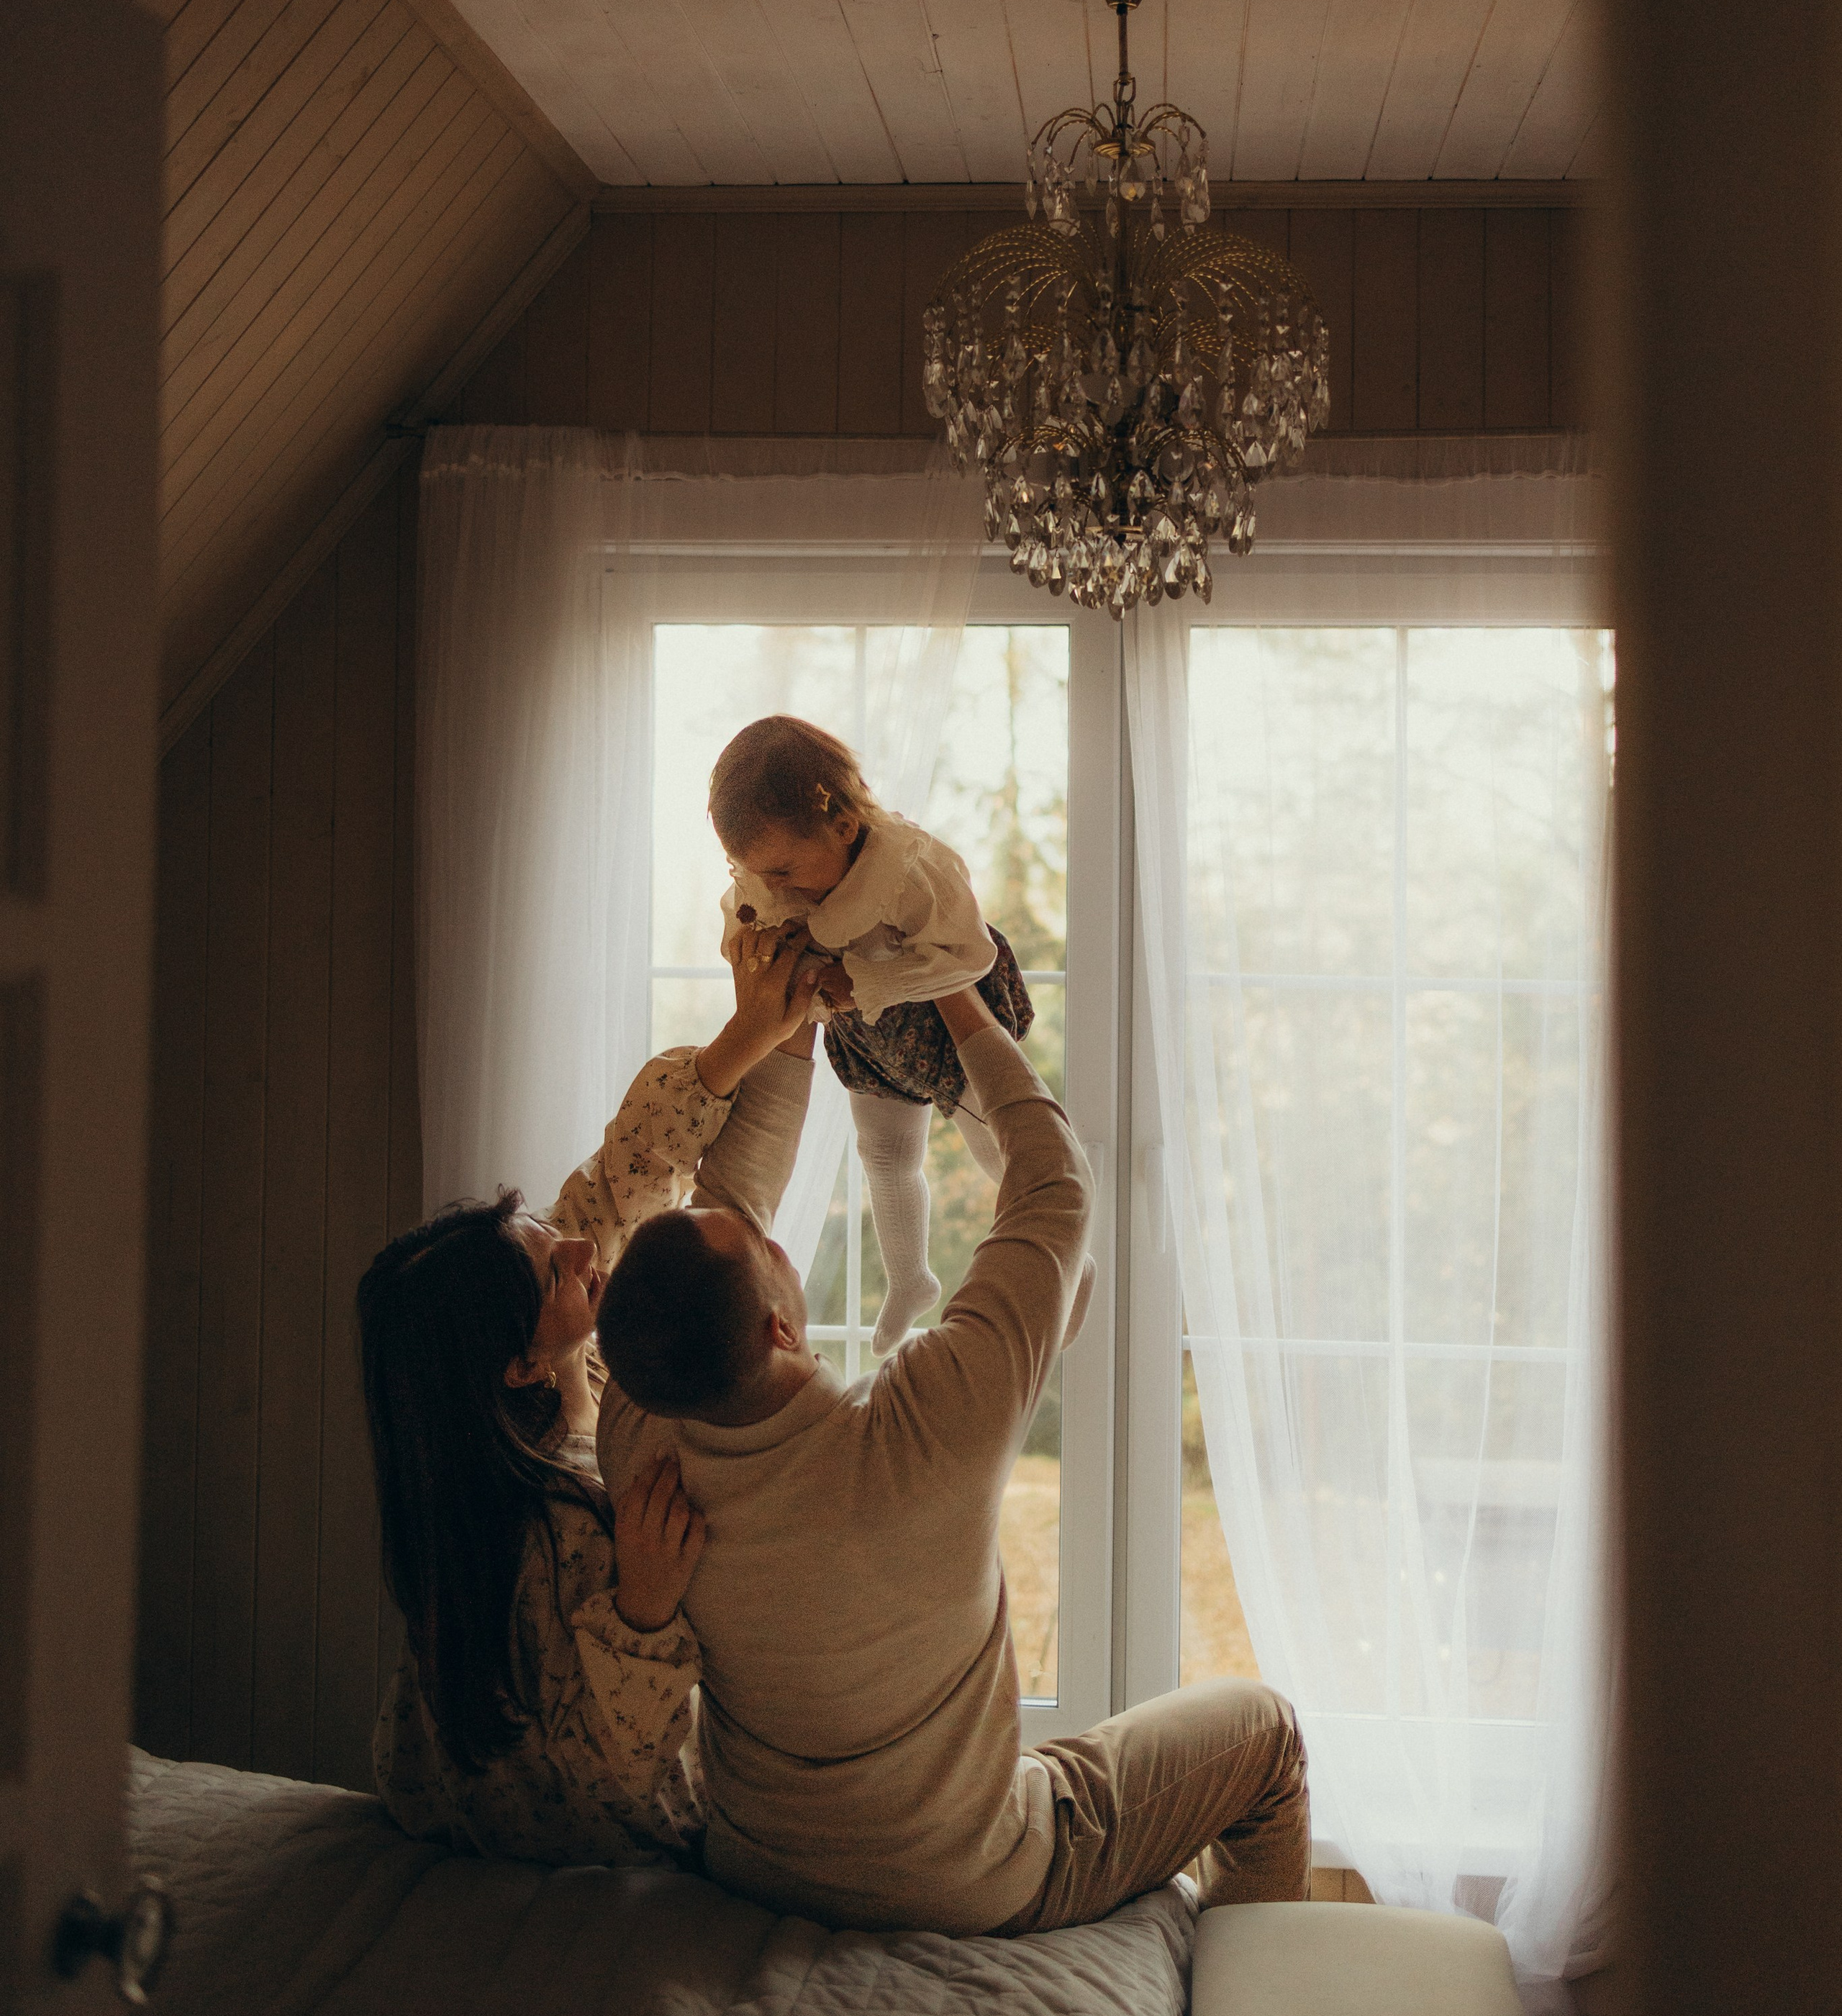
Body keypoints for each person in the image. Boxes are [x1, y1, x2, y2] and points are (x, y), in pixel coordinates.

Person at [594, 984, 1309, 1938]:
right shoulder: (930, 1419)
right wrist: (962, 996)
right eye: (769, 1252)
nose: (770, 1232)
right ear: (779, 1323)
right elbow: (1055, 1183)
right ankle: (1257, 1995)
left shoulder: (640, 1434)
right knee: (1265, 1733)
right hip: (969, 1880)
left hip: (759, 1865)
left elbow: (727, 1204)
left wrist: (795, 1012)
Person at [359, 924, 817, 1866]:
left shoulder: (571, 1359)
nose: (576, 1247)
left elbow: (629, 1175)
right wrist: (644, 1607)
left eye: (542, 1228)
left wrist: (762, 1030)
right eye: (555, 1269)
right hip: (585, 1832)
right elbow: (613, 1779)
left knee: (713, 1233)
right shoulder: (561, 1515)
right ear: (520, 1364)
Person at [709, 713, 1033, 1354]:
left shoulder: (908, 867)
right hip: (867, 1035)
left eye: (782, 870)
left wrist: (866, 984)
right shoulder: (775, 876)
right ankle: (910, 1277)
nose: (772, 886)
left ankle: (1063, 1256)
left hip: (940, 1019)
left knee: (1000, 1147)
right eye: (754, 871)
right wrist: (756, 945)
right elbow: (743, 925)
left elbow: (970, 956)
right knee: (884, 1155)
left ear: (844, 827)